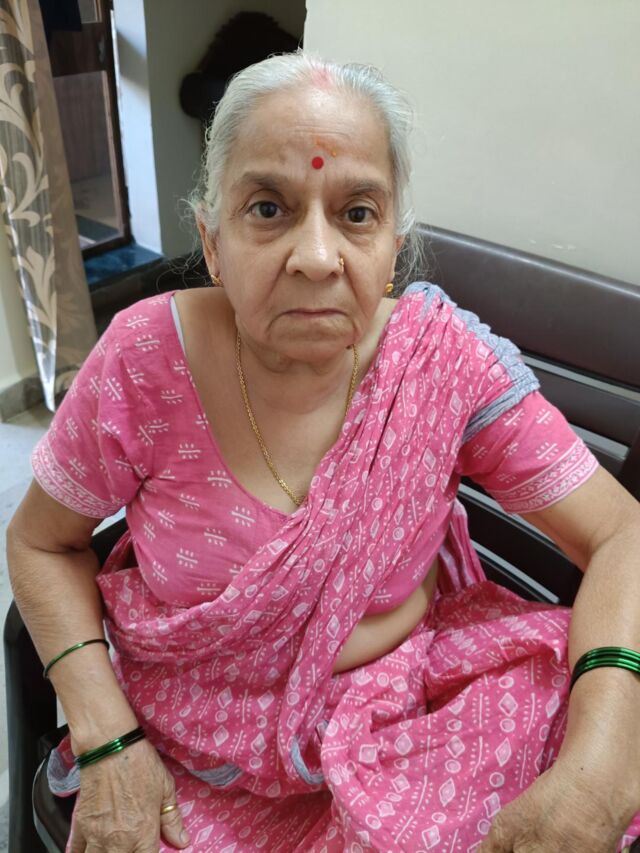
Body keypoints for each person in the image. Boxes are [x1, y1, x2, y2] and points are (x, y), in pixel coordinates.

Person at [7, 51, 640, 853]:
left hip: (402, 718)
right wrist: (106, 732)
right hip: (188, 749)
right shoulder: (142, 362)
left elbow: (622, 532)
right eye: (268, 208)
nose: (315, 255)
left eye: (357, 212)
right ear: (212, 240)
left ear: (393, 246)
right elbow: (39, 542)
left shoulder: (441, 364)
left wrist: (603, 763)